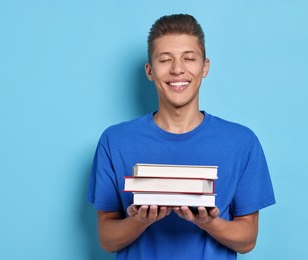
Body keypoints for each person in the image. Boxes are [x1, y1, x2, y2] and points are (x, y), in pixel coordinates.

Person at [87, 14, 275, 259]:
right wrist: (139, 221)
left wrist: (209, 222)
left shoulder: (241, 142)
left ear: (204, 67)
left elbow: (247, 240)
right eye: (165, 60)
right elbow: (107, 239)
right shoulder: (115, 141)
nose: (177, 69)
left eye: (189, 58)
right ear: (150, 70)